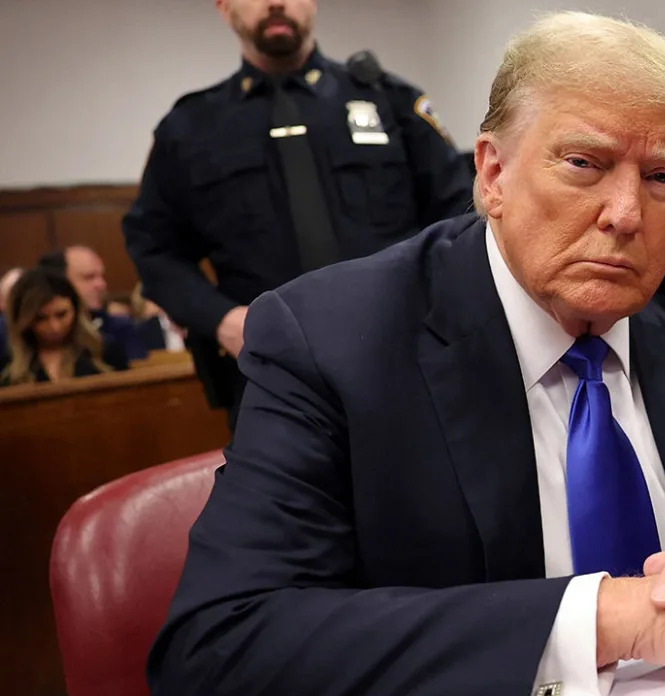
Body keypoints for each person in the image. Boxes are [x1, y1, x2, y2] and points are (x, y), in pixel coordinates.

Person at [149, 14, 665, 696]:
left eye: (664, 176)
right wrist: (619, 617)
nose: (624, 213)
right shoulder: (331, 338)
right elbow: (222, 640)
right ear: (493, 172)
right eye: (584, 163)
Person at [123, 0, 474, 429]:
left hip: (406, 359)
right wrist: (221, 319)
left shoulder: (389, 102)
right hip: (273, 378)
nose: (275, 3)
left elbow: (462, 216)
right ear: (223, 7)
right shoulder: (190, 128)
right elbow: (153, 246)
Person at [1, 269, 124, 385]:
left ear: (76, 311)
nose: (54, 327)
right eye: (41, 318)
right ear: (24, 320)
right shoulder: (6, 365)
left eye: (61, 315)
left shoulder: (103, 351)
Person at [38, 247, 147, 362]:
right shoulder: (40, 332)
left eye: (101, 276)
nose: (101, 285)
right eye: (89, 277)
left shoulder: (119, 327)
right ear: (58, 282)